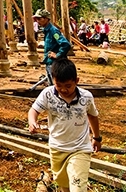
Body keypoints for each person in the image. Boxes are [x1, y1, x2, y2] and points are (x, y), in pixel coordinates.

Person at [28, 58, 101, 192]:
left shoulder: (86, 97)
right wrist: (32, 121)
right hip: (57, 149)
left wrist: (96, 137)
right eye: (59, 85)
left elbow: (93, 116)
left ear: (76, 81)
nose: (63, 89)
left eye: (68, 86)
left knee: (77, 188)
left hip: (80, 149)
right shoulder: (48, 94)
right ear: (53, 80)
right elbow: (34, 110)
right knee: (64, 186)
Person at [33, 9, 71, 86]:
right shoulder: (47, 30)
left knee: (56, 85)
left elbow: (65, 44)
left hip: (54, 63)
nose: (38, 21)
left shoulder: (53, 31)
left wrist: (57, 55)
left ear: (46, 19)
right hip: (49, 62)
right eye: (36, 19)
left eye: (39, 19)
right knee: (52, 85)